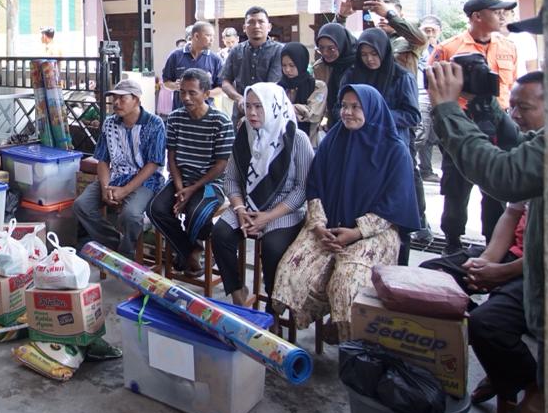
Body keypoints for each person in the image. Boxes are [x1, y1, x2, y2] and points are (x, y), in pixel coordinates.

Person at [427, 40, 546, 413]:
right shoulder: (534, 141)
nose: (515, 115)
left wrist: (447, 108)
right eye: (512, 107)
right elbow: (511, 211)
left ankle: (535, 387)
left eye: (524, 108)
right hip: (516, 262)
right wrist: (488, 264)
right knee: (434, 278)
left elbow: (501, 175)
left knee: (488, 324)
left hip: (539, 273)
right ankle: (503, 372)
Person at [272, 84, 421, 343]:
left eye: (356, 107)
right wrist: (318, 225)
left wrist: (356, 232)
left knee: (346, 282)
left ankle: (350, 341)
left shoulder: (394, 150)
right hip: (328, 225)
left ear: (372, 110)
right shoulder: (333, 141)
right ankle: (295, 323)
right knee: (291, 268)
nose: (347, 112)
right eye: (344, 106)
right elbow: (315, 185)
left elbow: (395, 204)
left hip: (374, 233)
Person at [432, 0, 520, 254]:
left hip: (498, 126)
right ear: (477, 16)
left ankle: (494, 246)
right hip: (461, 126)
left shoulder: (508, 47)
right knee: (456, 189)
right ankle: (452, 244)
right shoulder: (449, 49)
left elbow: (512, 87)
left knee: (496, 189)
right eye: (497, 11)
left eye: (504, 11)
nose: (502, 16)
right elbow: (435, 88)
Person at [211, 83, 313, 308]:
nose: (252, 113)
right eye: (248, 106)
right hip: (246, 205)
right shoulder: (244, 134)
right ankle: (237, 292)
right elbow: (231, 180)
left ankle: (272, 309)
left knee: (272, 249)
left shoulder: (296, 139)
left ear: (274, 106)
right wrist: (239, 209)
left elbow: (302, 189)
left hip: (283, 209)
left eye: (259, 106)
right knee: (220, 234)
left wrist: (267, 217)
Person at [339, 28, 423, 263]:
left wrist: (376, 115)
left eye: (374, 54)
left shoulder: (401, 77)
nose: (369, 59)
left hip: (390, 148)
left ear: (384, 52)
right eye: (364, 54)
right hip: (357, 147)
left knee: (395, 204)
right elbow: (339, 106)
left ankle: (399, 266)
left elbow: (413, 115)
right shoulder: (352, 74)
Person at [149, 69, 234, 276]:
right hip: (180, 180)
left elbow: (221, 165)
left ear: (206, 94)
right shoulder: (175, 118)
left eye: (192, 93)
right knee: (154, 209)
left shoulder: (221, 121)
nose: (186, 98)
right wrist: (180, 188)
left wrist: (192, 189)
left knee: (197, 213)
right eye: (182, 92)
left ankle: (191, 251)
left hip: (210, 184)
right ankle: (191, 250)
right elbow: (172, 157)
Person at [74, 79, 165, 258]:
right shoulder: (109, 123)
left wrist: (125, 191)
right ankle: (116, 246)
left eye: (122, 98)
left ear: (136, 99)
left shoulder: (154, 124)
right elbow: (102, 160)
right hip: (116, 177)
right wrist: (105, 188)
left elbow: (153, 164)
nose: (116, 102)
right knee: (81, 205)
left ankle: (126, 253)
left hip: (146, 181)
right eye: (114, 98)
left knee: (130, 216)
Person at [220, 6, 283, 121]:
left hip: (268, 113)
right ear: (244, 28)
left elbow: (272, 85)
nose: (256, 26)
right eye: (251, 22)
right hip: (241, 113)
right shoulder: (236, 51)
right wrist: (239, 98)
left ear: (269, 27)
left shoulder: (279, 50)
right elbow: (225, 82)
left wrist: (252, 104)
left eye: (261, 22)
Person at [161, 21, 223, 111]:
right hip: (181, 112)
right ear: (196, 36)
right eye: (208, 35)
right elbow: (166, 82)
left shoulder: (215, 59)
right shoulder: (175, 56)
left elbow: (221, 89)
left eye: (213, 36)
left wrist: (204, 94)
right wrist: (175, 86)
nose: (212, 39)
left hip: (206, 113)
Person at [278, 42, 326, 143]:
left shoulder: (317, 86)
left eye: (292, 65)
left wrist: (284, 108)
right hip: (282, 142)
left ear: (301, 63)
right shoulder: (278, 87)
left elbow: (313, 114)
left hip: (309, 142)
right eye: (284, 65)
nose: (287, 70)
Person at [312, 22, 356, 127]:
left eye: (331, 49)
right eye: (321, 48)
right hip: (332, 124)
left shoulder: (359, 63)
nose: (325, 53)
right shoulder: (320, 67)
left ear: (341, 45)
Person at [417, 16, 443, 182]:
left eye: (433, 30)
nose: (430, 34)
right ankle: (421, 169)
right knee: (421, 135)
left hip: (440, 96)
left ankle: (427, 170)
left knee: (435, 136)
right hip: (421, 95)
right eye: (426, 30)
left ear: (439, 31)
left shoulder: (443, 48)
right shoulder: (415, 47)